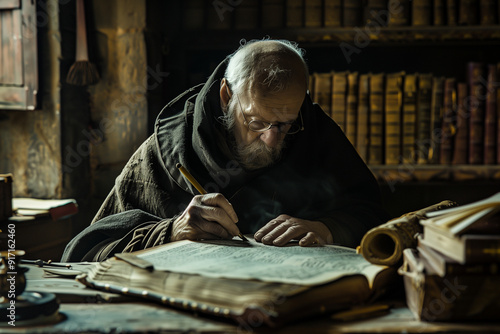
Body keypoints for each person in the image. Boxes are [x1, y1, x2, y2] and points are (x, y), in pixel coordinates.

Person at [62, 39, 388, 262]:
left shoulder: (315, 132)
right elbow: (82, 253)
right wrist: (170, 231)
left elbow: (373, 214)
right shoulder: (166, 152)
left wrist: (326, 229)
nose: (272, 140)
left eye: (285, 124)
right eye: (257, 122)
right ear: (225, 96)